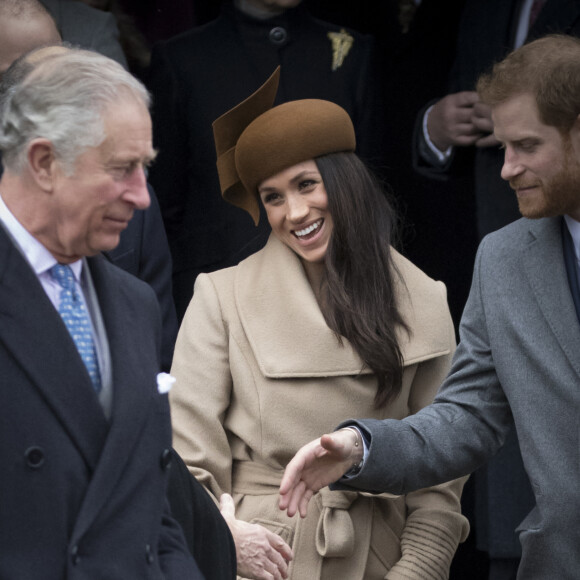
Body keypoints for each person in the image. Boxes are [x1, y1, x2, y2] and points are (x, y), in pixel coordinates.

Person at [279, 34, 580, 580]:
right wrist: (359, 449)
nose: (507, 168)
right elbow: (466, 415)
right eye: (503, 146)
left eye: (528, 146)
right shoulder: (504, 258)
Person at [169, 67, 469, 580]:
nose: (295, 211)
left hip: (384, 557)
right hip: (263, 560)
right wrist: (228, 544)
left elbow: (442, 475)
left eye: (307, 184)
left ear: (346, 182)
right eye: (273, 197)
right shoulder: (220, 298)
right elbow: (187, 464)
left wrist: (417, 568)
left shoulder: (425, 299)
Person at [0, 46, 204, 579]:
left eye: (146, 168)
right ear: (44, 162)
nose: (142, 196)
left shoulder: (135, 304)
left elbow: (150, 513)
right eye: (122, 169)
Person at [146, 0, 381, 321]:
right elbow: (164, 206)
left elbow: (370, 190)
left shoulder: (350, 51)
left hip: (340, 297)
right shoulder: (182, 59)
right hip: (228, 298)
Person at [0, 0, 179, 371]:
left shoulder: (132, 198)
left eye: (61, 61)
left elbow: (158, 361)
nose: (57, 87)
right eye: (23, 77)